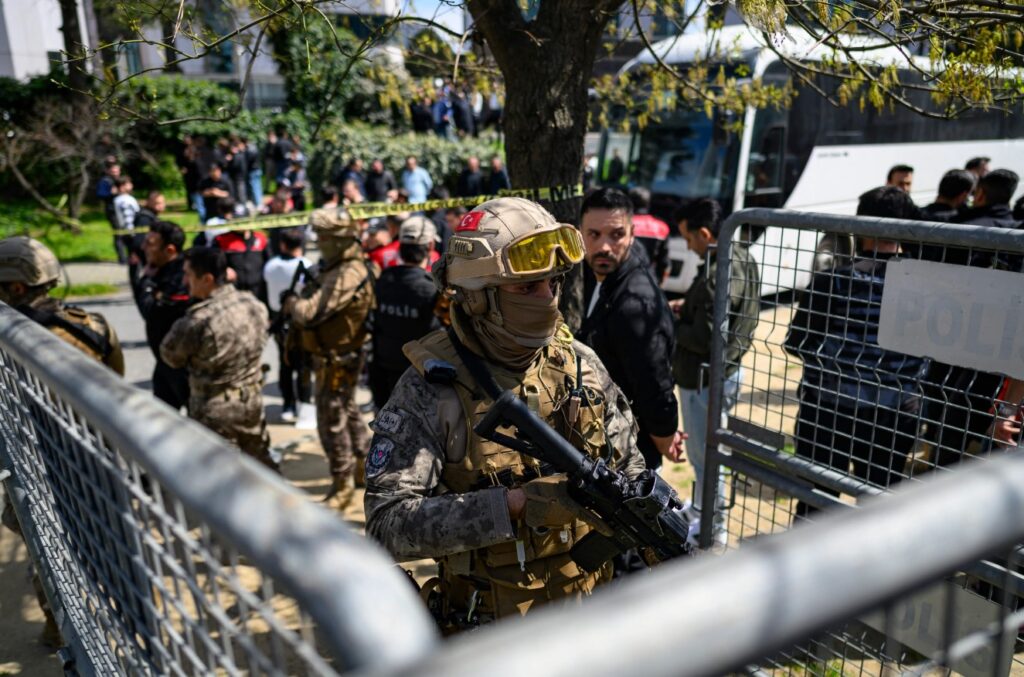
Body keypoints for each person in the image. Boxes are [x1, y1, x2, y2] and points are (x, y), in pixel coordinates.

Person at [364, 197, 652, 628]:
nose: (548, 299)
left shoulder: (579, 363)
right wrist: (513, 505)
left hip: (590, 618)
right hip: (491, 633)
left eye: (552, 283)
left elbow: (631, 469)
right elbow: (387, 525)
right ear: (478, 299)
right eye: (526, 287)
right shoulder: (432, 388)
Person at [0, 236, 124, 647]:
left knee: (49, 551)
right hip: (95, 459)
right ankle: (122, 624)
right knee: (109, 546)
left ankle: (61, 629)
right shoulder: (92, 326)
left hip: (39, 465)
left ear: (17, 288)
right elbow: (116, 385)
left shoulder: (7, 344)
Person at [784, 186, 928, 516]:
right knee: (878, 505)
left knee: (816, 501)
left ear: (861, 225)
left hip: (826, 408)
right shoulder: (924, 288)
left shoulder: (830, 282)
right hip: (894, 413)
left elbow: (798, 342)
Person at [672, 198, 760, 545]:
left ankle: (714, 528)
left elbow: (708, 335)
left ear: (705, 233)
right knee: (708, 453)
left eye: (689, 239)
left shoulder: (717, 267)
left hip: (705, 376)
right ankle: (705, 512)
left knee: (705, 456)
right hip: (721, 372)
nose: (690, 248)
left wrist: (672, 322)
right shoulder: (739, 255)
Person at [577, 188, 681, 472]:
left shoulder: (633, 304)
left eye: (616, 235)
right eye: (594, 235)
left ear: (632, 234)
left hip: (631, 453)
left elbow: (655, 383)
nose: (604, 246)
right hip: (605, 436)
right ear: (581, 234)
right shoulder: (599, 273)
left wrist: (664, 435)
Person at [927, 169, 1022, 466]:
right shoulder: (1013, 234)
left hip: (970, 356)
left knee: (951, 436)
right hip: (997, 362)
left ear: (979, 192)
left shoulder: (966, 229)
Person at [283, 208, 376, 509]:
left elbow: (310, 313)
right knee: (346, 411)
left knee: (330, 421)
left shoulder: (346, 272)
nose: (319, 242)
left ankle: (343, 481)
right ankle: (365, 465)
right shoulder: (335, 266)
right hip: (335, 356)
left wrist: (292, 304)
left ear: (340, 239)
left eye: (324, 237)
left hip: (338, 359)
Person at [160, 247, 276, 470]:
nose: (185, 281)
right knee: (262, 467)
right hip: (251, 401)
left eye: (188, 275)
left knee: (222, 477)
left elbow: (170, 355)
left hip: (215, 410)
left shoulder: (199, 319)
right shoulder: (253, 304)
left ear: (207, 279)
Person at [369, 216, 441, 409]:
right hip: (421, 379)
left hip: (385, 377)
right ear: (431, 246)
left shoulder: (383, 279)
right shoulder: (433, 290)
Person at [130, 221, 191, 410]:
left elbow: (150, 311)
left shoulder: (181, 277)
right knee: (164, 418)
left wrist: (145, 282)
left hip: (182, 367)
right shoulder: (158, 269)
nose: (144, 247)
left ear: (170, 250)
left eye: (150, 243)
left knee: (197, 423)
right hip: (163, 363)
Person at [263, 228, 313, 424]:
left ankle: (288, 405)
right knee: (303, 365)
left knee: (285, 364)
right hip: (300, 321)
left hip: (279, 320)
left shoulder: (271, 265)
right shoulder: (307, 265)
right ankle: (305, 408)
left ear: (282, 244)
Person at [212, 219, 270, 300]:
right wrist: (224, 270)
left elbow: (269, 261)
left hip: (258, 289)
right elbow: (213, 262)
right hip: (233, 290)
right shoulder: (221, 239)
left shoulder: (260, 238)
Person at [628, 187, 671, 284]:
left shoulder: (621, 224)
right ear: (648, 203)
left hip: (623, 278)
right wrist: (658, 283)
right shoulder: (661, 227)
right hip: (648, 279)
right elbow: (663, 262)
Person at [97, 161, 125, 261]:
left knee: (126, 232)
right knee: (118, 233)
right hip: (112, 211)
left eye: (117, 170)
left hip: (123, 211)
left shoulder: (121, 180)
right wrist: (111, 193)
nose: (115, 173)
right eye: (113, 171)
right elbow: (100, 194)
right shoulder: (105, 181)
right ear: (108, 171)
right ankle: (122, 258)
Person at [112, 175, 140, 265]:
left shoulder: (119, 199)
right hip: (131, 230)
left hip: (127, 230)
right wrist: (132, 231)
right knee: (135, 256)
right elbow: (128, 216)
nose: (131, 185)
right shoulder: (125, 200)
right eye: (129, 183)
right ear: (122, 187)